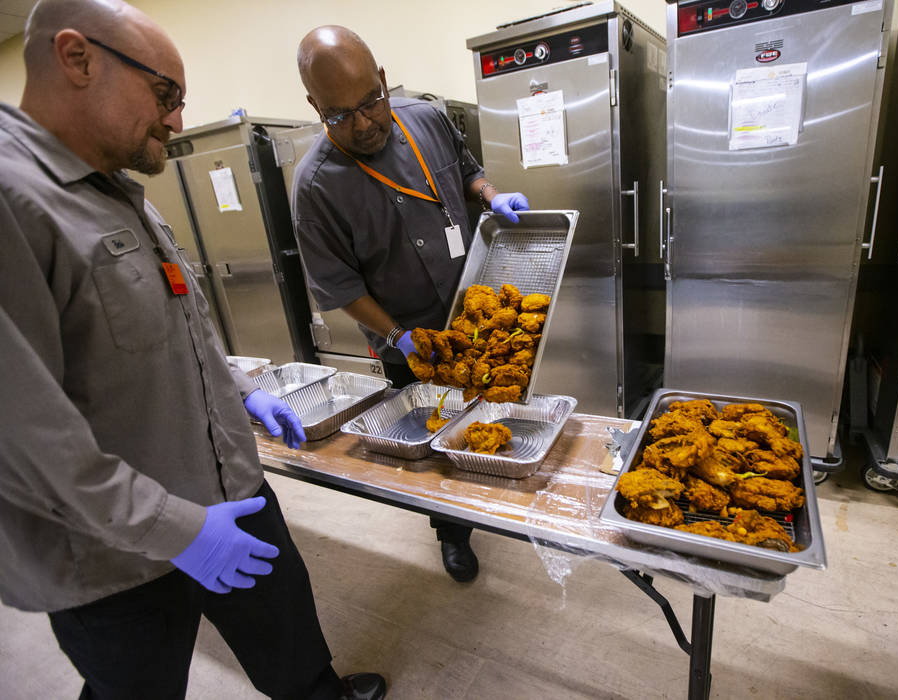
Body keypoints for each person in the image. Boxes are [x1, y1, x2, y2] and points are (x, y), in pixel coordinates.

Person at [0, 2, 385, 699]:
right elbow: (23, 435)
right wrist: (178, 532)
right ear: (77, 58)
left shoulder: (119, 193)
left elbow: (182, 326)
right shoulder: (13, 197)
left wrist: (245, 393)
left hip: (226, 489)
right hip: (112, 551)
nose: (177, 121)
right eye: (165, 94)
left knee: (292, 643)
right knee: (137, 683)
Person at [291, 26, 530, 583]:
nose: (363, 123)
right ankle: (451, 531)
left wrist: (492, 197)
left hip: (477, 311)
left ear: (382, 80)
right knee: (435, 436)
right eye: (339, 115)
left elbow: (468, 170)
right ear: (314, 107)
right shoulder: (315, 187)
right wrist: (399, 336)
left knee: (496, 409)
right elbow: (337, 285)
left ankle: (496, 490)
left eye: (370, 103)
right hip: (408, 337)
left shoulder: (424, 117)